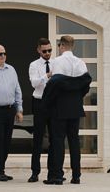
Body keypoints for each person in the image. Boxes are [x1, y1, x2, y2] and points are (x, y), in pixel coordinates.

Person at [42, 35, 92, 185]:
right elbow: (85, 85)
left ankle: (57, 176)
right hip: (75, 106)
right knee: (74, 141)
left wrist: (48, 102)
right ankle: (76, 176)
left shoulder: (57, 61)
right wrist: (76, 95)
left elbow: (55, 85)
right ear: (73, 46)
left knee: (58, 141)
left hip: (60, 107)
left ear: (61, 46)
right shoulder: (80, 63)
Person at [0, 44, 23, 182]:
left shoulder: (11, 69)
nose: (3, 56)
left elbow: (17, 89)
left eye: (4, 53)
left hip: (9, 109)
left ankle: (1, 169)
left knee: (6, 141)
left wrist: (19, 109)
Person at [27, 38, 54, 183]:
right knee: (38, 138)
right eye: (44, 51)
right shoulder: (34, 65)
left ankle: (53, 172)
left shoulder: (56, 63)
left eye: (50, 50)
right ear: (38, 50)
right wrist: (47, 76)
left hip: (54, 103)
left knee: (54, 138)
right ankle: (34, 172)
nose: (48, 53)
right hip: (39, 102)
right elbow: (34, 83)